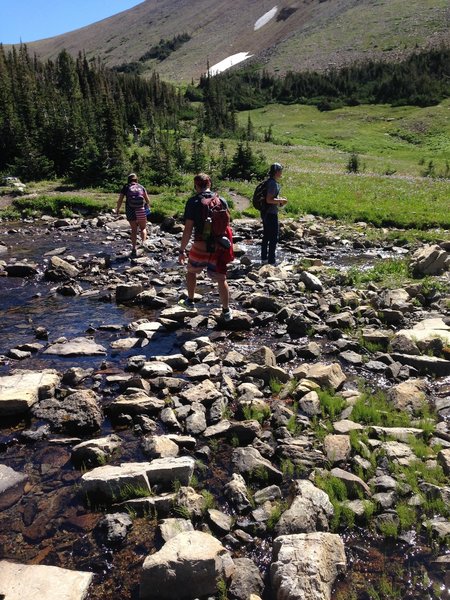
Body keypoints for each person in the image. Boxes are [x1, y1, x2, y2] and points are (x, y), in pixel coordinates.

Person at [178, 173, 233, 321]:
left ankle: (190, 301)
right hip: (218, 246)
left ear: (196, 186)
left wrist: (182, 250)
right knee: (221, 279)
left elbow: (188, 229)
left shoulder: (193, 202)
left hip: (200, 245)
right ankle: (226, 311)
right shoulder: (221, 200)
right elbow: (227, 226)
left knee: (191, 271)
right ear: (209, 184)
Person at [116, 173, 150, 258]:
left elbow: (120, 200)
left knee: (134, 230)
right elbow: (147, 200)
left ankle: (134, 248)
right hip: (140, 209)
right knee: (143, 228)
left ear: (128, 180)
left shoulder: (126, 187)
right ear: (136, 180)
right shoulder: (141, 187)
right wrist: (147, 206)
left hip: (130, 210)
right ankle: (143, 243)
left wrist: (118, 209)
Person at [261, 162, 287, 265]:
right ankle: (271, 261)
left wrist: (279, 201)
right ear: (276, 172)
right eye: (280, 171)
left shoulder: (269, 182)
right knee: (273, 238)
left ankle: (264, 259)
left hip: (266, 212)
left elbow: (271, 199)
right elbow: (269, 200)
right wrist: (281, 201)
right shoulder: (272, 183)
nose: (281, 173)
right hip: (270, 214)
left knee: (266, 236)